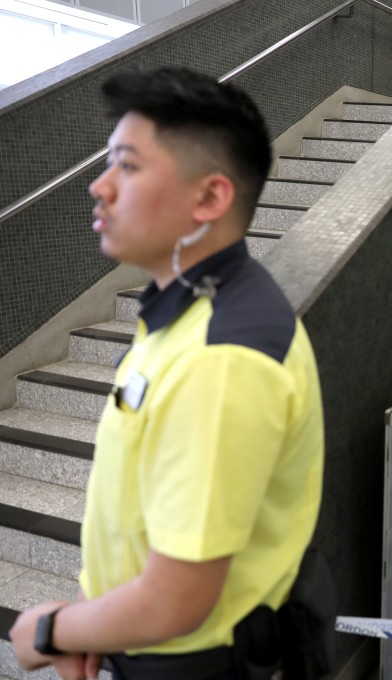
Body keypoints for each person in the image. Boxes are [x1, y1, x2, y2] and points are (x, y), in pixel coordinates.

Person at [8, 67, 324, 679]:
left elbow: (178, 599)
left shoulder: (223, 357)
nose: (99, 187)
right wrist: (101, 617)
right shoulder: (191, 310)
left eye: (126, 166)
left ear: (209, 198)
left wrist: (51, 629)